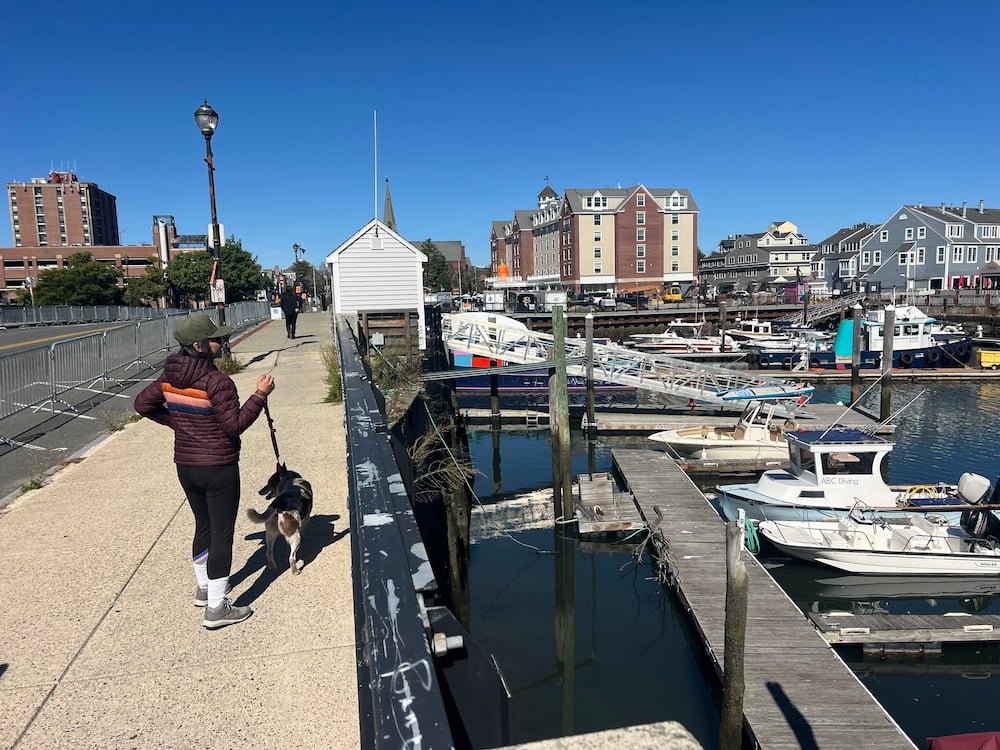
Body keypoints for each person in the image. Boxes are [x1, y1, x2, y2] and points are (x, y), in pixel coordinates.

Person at [134, 315, 275, 630]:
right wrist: (260, 395)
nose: (221, 342)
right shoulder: (217, 382)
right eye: (216, 339)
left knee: (204, 526)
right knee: (222, 535)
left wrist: (179, 424)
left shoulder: (168, 378)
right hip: (218, 468)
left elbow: (142, 405)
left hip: (186, 466)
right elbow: (234, 425)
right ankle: (216, 609)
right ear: (199, 347)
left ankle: (203, 588)